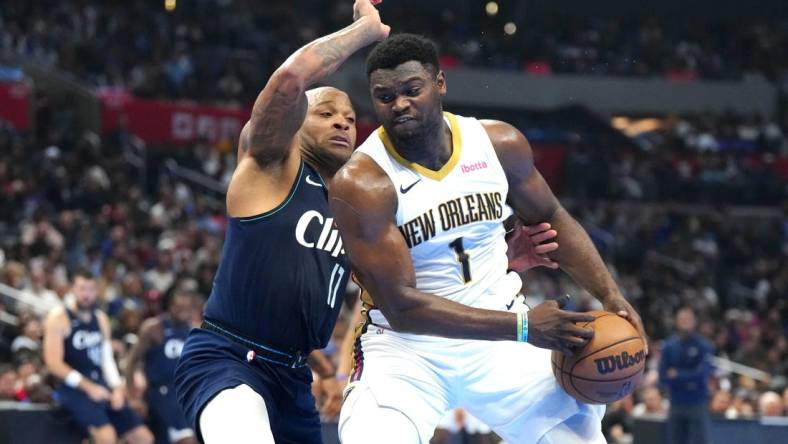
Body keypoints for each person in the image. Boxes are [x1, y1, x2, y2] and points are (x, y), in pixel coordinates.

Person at [330, 33, 646, 444]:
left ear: (439, 84)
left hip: (500, 343)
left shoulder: (498, 144)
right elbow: (402, 306)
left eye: (412, 90)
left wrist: (611, 294)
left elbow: (551, 216)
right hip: (407, 351)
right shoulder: (362, 182)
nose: (400, 104)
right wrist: (523, 327)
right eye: (384, 96)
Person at [172, 2, 389, 443]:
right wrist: (365, 30)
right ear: (296, 121)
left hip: (294, 376)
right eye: (326, 113)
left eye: (349, 119)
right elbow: (290, 81)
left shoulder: (353, 203)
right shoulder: (271, 163)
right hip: (228, 356)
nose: (342, 123)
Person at [42, 269, 153, 444]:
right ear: (72, 289)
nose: (86, 294)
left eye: (91, 289)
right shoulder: (59, 317)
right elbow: (53, 363)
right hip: (72, 388)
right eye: (82, 289)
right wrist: (88, 387)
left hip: (100, 385)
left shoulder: (100, 319)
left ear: (97, 291)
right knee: (106, 437)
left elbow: (106, 359)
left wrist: (117, 387)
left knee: (144, 438)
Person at [125, 291, 199, 444]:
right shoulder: (154, 328)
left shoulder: (195, 331)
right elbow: (132, 361)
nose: (183, 310)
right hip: (160, 393)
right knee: (187, 440)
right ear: (170, 307)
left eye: (187, 307)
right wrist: (133, 396)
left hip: (186, 394)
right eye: (179, 306)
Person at [659, 306, 714, 444]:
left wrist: (678, 375)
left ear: (695, 321)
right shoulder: (669, 346)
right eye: (682, 319)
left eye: (688, 319)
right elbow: (663, 376)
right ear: (676, 322)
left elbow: (703, 374)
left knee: (700, 441)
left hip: (698, 402)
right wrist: (689, 377)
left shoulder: (705, 345)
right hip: (676, 402)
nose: (685, 322)